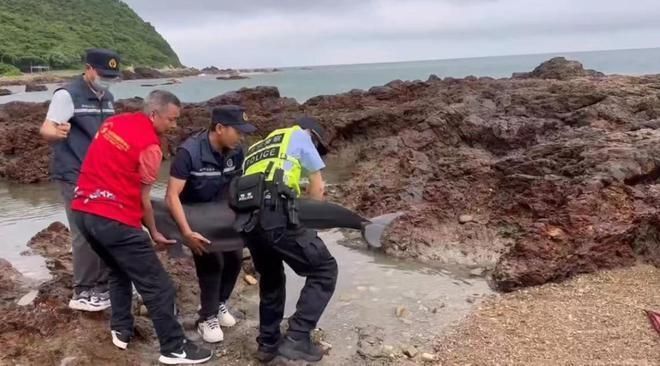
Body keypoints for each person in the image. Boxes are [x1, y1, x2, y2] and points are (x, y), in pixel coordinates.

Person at [70, 90, 212, 365]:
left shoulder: (115, 122)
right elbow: (143, 198)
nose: (174, 126)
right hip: (114, 220)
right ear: (153, 114)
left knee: (117, 270)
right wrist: (154, 231)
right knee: (159, 287)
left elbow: (106, 162)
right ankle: (174, 348)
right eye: (171, 120)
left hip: (83, 211)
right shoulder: (150, 147)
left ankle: (121, 329)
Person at [230, 116, 338, 363]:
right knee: (324, 268)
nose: (317, 152)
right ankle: (297, 337)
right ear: (312, 135)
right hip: (276, 218)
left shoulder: (258, 147)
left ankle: (267, 344)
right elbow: (317, 189)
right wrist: (311, 227)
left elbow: (263, 182)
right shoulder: (300, 136)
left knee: (271, 278)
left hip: (249, 224)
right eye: (318, 149)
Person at [39, 48, 121, 312]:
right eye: (102, 73)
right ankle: (83, 291)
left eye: (112, 75)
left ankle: (102, 286)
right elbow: (47, 128)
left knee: (103, 228)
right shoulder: (67, 95)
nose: (106, 79)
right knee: (83, 231)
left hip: (102, 173)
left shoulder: (107, 97)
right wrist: (57, 133)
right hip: (73, 171)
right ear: (88, 68)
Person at [165, 105, 255, 343]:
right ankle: (207, 317)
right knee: (212, 263)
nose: (242, 136)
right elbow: (171, 195)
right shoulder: (189, 152)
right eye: (238, 131)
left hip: (222, 216)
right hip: (195, 217)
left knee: (235, 258)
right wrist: (186, 233)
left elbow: (239, 187)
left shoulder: (236, 151)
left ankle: (219, 303)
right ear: (219, 128)